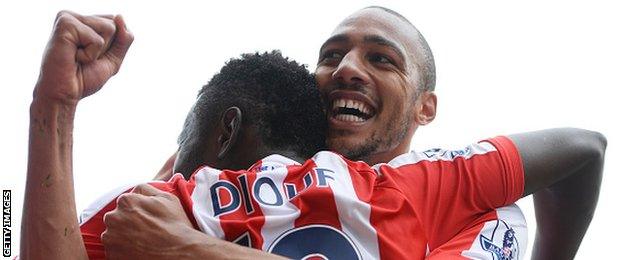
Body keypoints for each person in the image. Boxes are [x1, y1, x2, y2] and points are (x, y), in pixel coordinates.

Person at [22, 9, 606, 260]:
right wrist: (54, 107)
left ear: (426, 108)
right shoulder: (170, 198)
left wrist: (187, 249)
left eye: (382, 59)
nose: (348, 68)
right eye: (332, 56)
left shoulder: (476, 208)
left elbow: (585, 148)